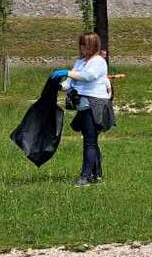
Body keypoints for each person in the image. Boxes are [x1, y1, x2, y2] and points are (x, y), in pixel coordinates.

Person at [50, 33, 116, 187]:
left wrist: (67, 72)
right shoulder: (80, 62)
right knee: (91, 140)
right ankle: (97, 175)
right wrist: (58, 85)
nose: (83, 48)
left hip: (96, 105)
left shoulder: (99, 62)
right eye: (81, 45)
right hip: (83, 105)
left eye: (86, 45)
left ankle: (85, 176)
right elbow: (69, 83)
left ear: (93, 46)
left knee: (89, 142)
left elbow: (88, 76)